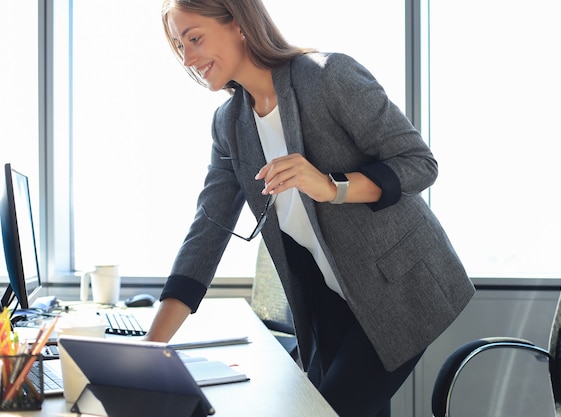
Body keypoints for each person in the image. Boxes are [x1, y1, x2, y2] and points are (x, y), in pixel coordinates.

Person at [147, 1, 475, 416]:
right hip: (331, 299)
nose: (187, 59)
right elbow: (206, 232)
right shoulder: (229, 124)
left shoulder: (327, 76)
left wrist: (330, 186)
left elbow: (418, 163)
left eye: (194, 39)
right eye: (179, 46)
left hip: (402, 289)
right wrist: (147, 353)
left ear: (239, 25)